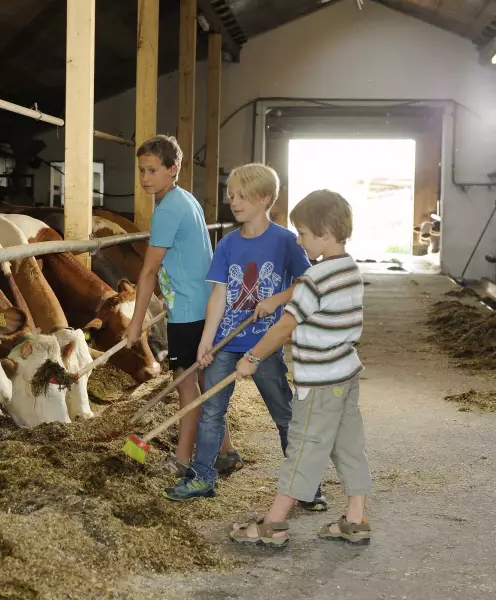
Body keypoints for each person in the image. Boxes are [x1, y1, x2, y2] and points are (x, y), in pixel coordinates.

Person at [163, 163, 327, 510]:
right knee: (211, 412)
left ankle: (305, 484)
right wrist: (207, 340)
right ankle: (203, 477)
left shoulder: (285, 241)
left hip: (264, 345)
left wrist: (276, 300)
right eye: (231, 196)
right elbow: (219, 294)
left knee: (283, 412)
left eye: (241, 196)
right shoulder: (228, 244)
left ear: (265, 198)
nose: (233, 202)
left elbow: (307, 284)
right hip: (226, 342)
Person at [229, 189, 371, 547]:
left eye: (304, 233)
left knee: (303, 446)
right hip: (345, 376)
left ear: (324, 233)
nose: (298, 238)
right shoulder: (349, 269)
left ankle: (274, 523)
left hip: (320, 383)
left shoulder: (313, 279)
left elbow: (284, 327)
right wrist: (279, 297)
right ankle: (356, 519)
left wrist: (252, 359)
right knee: (348, 445)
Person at [124, 134, 241, 477]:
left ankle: (183, 458)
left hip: (189, 309)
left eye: (152, 170)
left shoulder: (167, 211)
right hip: (201, 302)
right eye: (141, 170)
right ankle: (226, 451)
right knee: (203, 380)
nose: (145, 177)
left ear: (173, 169)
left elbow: (147, 272)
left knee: (185, 384)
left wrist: (135, 324)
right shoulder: (183, 199)